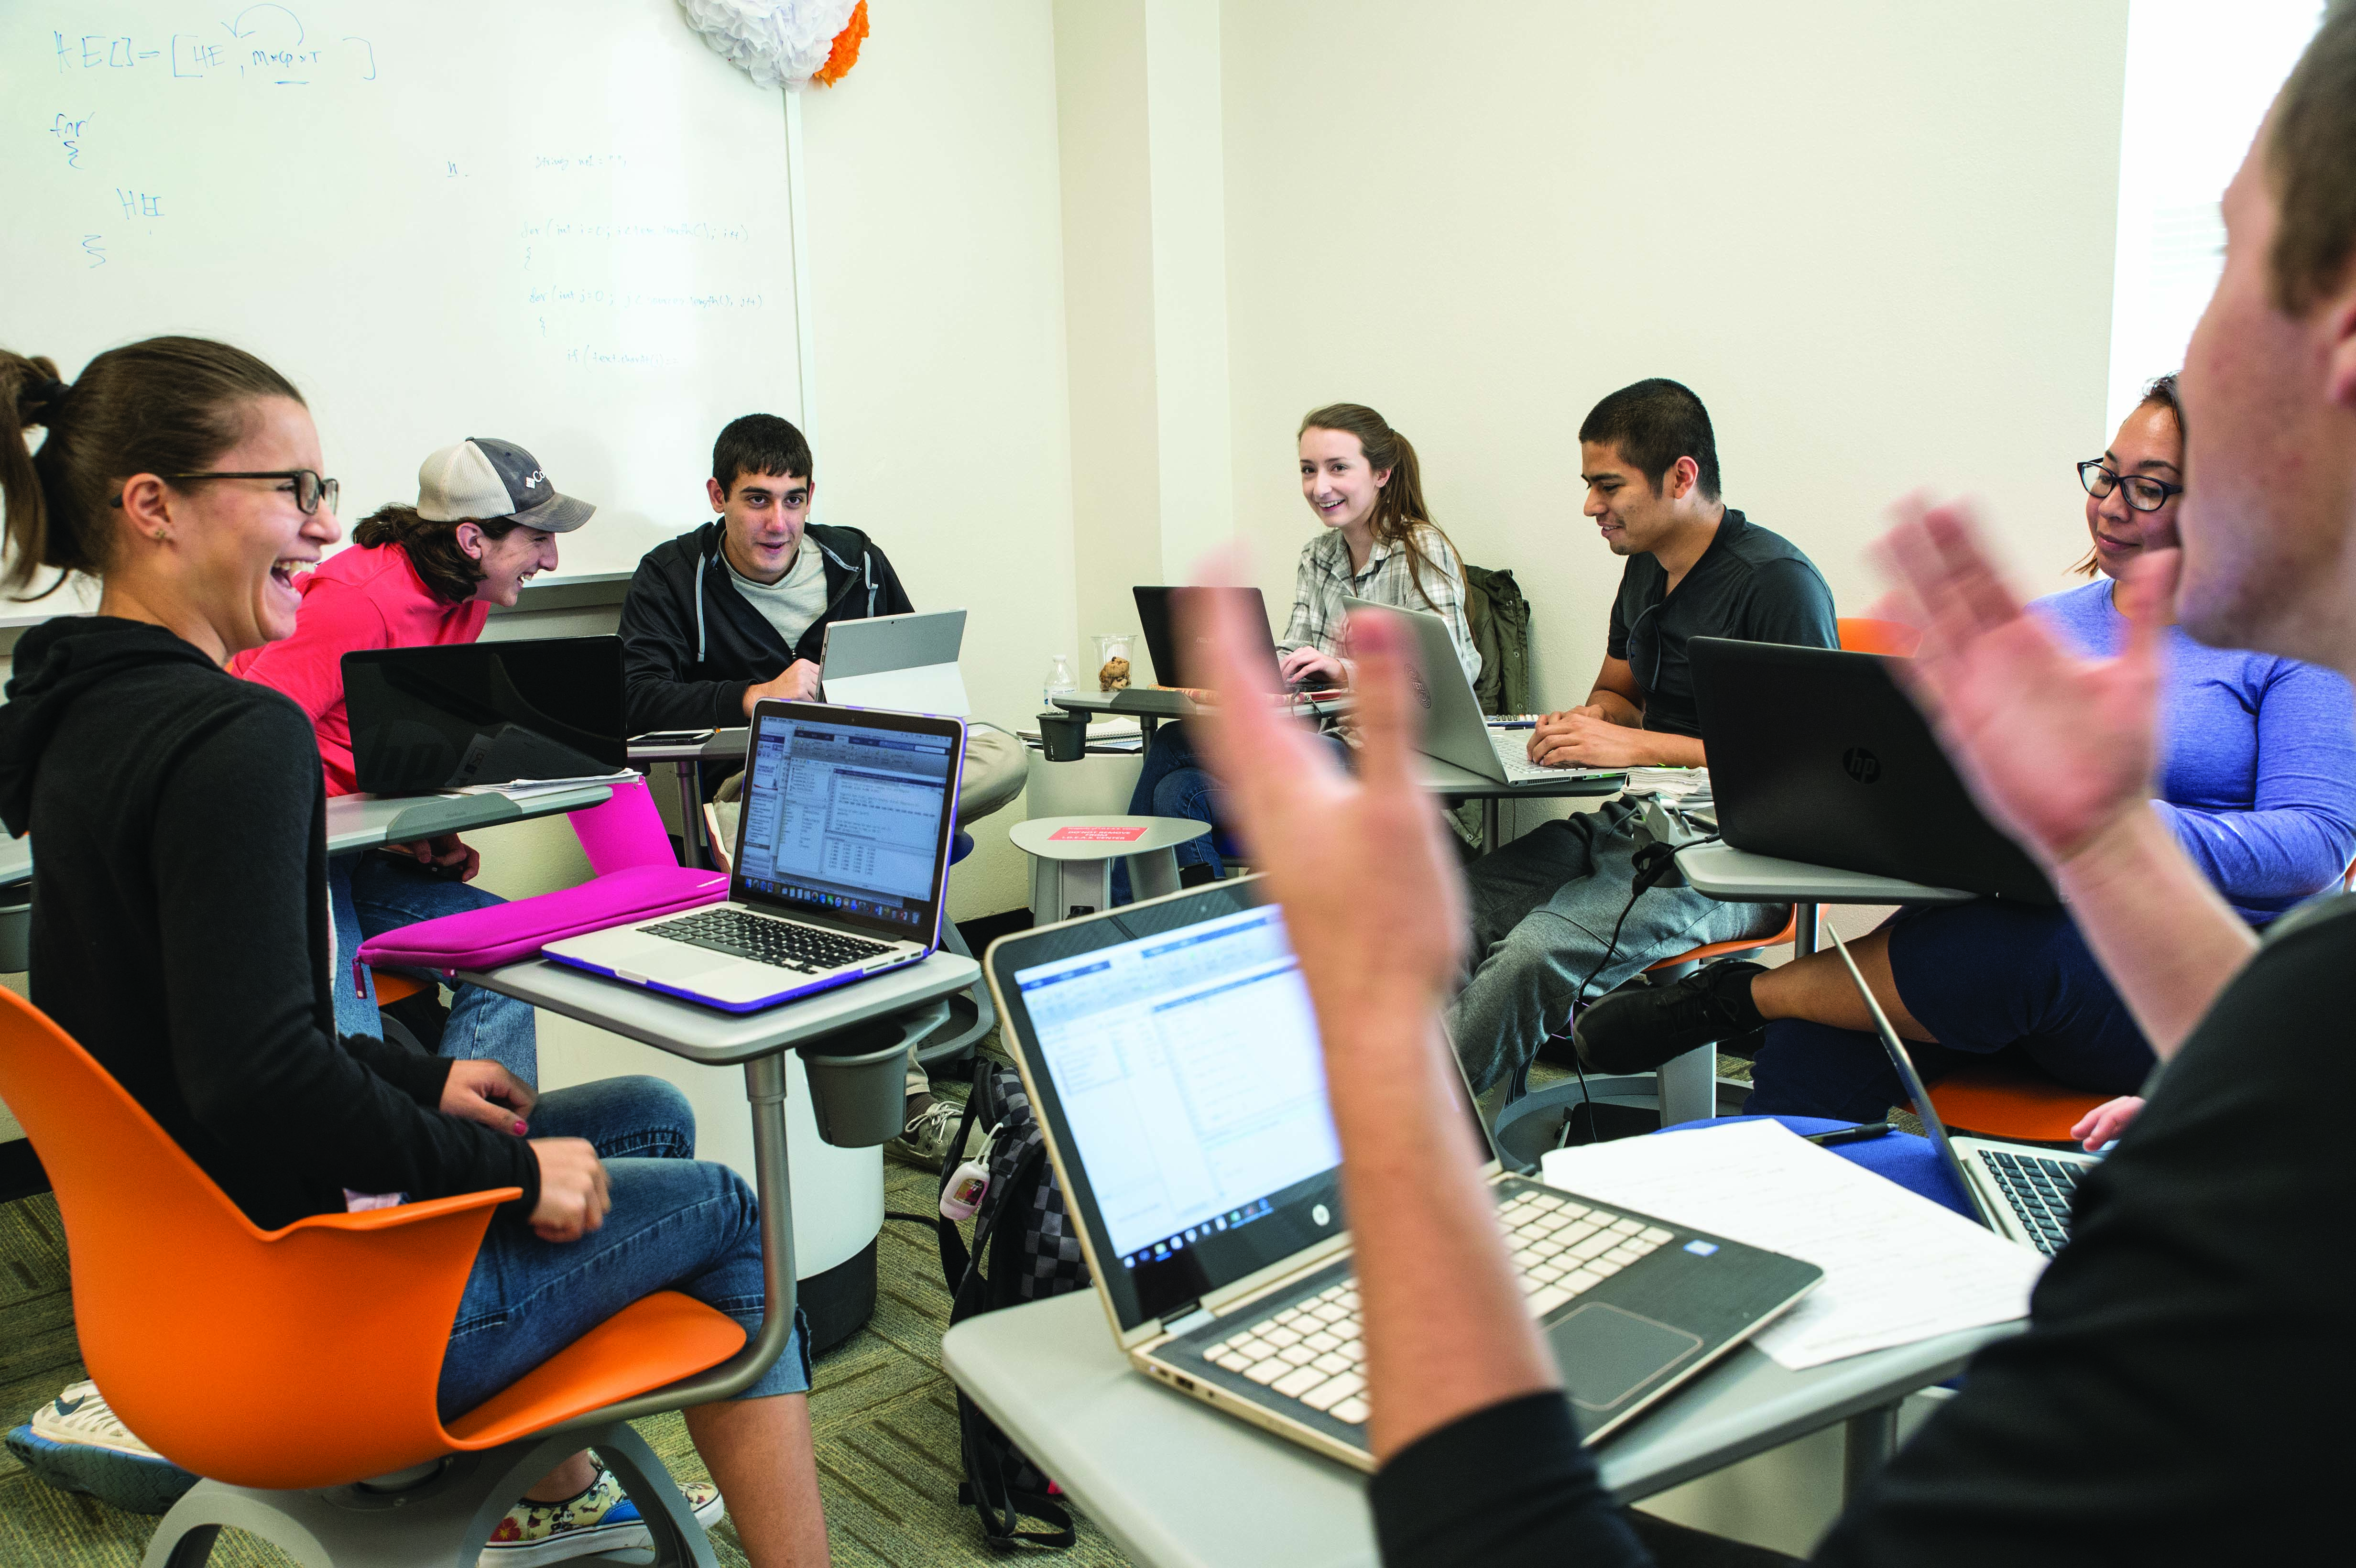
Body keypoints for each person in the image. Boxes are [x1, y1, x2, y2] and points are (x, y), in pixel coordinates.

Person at [1180, 6, 2356, 1560]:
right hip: (2038, 973)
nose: (2134, 469)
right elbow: (2292, 1103)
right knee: (1759, 1132)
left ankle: (1676, 1034)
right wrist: (2089, 839)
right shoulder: (2307, 1014)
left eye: (2220, 260)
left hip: (1939, 957)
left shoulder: (1773, 575)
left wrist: (1374, 1038)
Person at [0, 338, 832, 1568]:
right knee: (725, 1207)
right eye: (291, 489)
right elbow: (260, 1075)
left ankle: (548, 1492)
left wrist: (421, 1080)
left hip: (183, 1278)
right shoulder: (236, 734)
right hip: (311, 1304)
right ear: (153, 506)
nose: (324, 526)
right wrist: (506, 1174)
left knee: (647, 1118)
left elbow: (212, 1030)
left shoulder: (77, 709)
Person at [1572, 375, 2356, 1121]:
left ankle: (1742, 997)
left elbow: (2315, 848)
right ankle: (1763, 1187)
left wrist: (2113, 832)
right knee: (1828, 1032)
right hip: (1996, 945)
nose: (2110, 505)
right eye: (2105, 475)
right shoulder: (2045, 626)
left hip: (2198, 986)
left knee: (2018, 944)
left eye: (2148, 488)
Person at [617, 412, 1025, 1167]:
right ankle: (907, 1102)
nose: (779, 522)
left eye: (794, 500)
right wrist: (752, 696)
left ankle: (865, 824)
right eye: (757, 500)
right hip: (755, 778)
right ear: (718, 496)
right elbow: (637, 699)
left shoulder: (856, 559)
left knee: (1006, 754)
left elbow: (913, 665)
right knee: (847, 869)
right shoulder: (671, 576)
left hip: (869, 764)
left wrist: (905, 711)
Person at [1448, 379, 1836, 1097]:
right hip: (1636, 826)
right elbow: (1620, 694)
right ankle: (1434, 1112)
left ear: (1681, 477)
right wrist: (1590, 724)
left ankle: (1394, 1132)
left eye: (1608, 486)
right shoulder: (1644, 570)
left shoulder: (1776, 584)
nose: (1590, 506)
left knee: (1536, 953)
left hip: (1740, 859)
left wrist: (1640, 746)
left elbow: (1809, 766)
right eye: (1589, 486)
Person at [230, 436, 598, 1083]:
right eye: (538, 539)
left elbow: (392, 733)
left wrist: (418, 831)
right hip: (286, 856)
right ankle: (391, 1141)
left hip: (352, 848)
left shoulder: (470, 598)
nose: (551, 559)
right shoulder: (357, 601)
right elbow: (248, 741)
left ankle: (471, 1141)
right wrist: (356, 832)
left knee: (517, 957)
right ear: (471, 540)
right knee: (348, 1055)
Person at [1115, 402, 1481, 898]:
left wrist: (1345, 670)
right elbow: (1296, 644)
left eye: (1337, 468)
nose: (1319, 487)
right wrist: (1250, 668)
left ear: (1381, 474)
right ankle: (1214, 932)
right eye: (1308, 470)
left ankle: (1116, 919)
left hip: (1384, 757)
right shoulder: (1319, 555)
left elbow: (1454, 669)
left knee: (1174, 741)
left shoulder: (1419, 549)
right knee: (1177, 791)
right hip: (1318, 740)